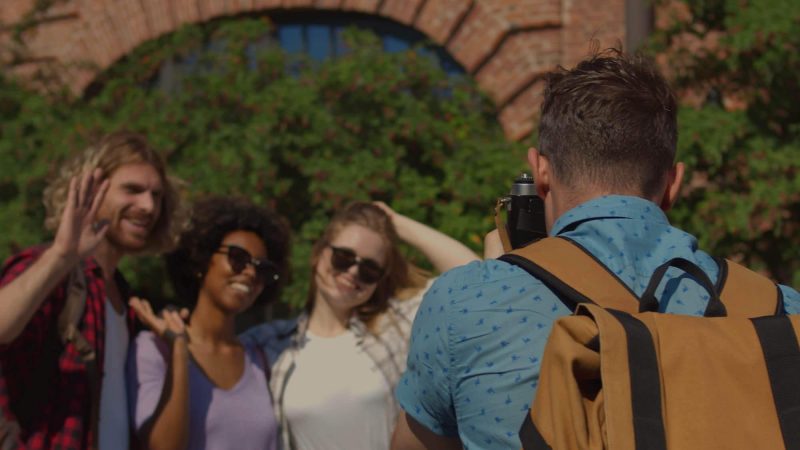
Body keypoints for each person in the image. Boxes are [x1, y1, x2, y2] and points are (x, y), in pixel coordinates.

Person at [391, 48, 800, 450]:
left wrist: (499, 278)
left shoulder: (467, 301)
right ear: (673, 185)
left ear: (542, 173)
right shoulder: (779, 309)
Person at [240, 201, 479, 450]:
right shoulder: (269, 344)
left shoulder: (395, 326)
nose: (353, 271)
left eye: (369, 269)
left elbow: (473, 280)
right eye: (343, 257)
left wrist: (396, 223)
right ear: (318, 253)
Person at [0, 131, 182, 450]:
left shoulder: (124, 298)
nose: (148, 206)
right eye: (133, 190)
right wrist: (60, 256)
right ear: (93, 190)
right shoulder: (53, 270)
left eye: (156, 195)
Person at [127, 196, 291, 450]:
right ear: (201, 259)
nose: (250, 273)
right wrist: (179, 352)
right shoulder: (153, 349)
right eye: (238, 258)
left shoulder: (261, 360)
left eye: (263, 269)